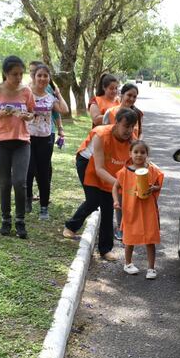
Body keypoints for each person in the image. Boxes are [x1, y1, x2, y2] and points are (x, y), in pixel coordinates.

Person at [63, 108, 138, 259]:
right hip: (88, 163)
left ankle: (105, 249)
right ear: (116, 123)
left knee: (108, 206)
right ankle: (71, 226)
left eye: (132, 127)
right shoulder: (101, 135)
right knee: (94, 200)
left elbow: (140, 161)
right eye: (126, 126)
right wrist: (119, 183)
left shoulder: (132, 140)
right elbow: (99, 169)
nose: (129, 130)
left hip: (108, 168)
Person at [0, 56, 35, 238]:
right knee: (4, 183)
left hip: (22, 141)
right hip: (0, 142)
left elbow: (32, 113)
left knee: (20, 182)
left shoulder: (26, 91)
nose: (18, 77)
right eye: (14, 74)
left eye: (21, 73)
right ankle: (6, 220)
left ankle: (20, 221)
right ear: (5, 73)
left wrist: (27, 116)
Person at [112, 140, 163, 279]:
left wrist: (154, 188)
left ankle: (151, 268)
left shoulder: (152, 170)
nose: (139, 155)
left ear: (147, 154)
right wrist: (116, 201)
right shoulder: (124, 172)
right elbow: (115, 187)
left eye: (142, 152)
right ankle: (128, 264)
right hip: (131, 209)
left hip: (148, 210)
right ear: (130, 154)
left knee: (150, 238)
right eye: (136, 152)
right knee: (129, 238)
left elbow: (158, 184)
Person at [26, 63, 69, 220]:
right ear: (34, 77)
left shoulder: (50, 98)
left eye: (46, 76)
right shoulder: (26, 94)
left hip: (45, 139)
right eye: (39, 75)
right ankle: (28, 199)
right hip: (27, 138)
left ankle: (44, 208)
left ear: (49, 78)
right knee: (29, 171)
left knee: (44, 173)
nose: (42, 78)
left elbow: (64, 110)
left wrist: (57, 92)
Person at [102, 82, 144, 240]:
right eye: (129, 95)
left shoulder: (138, 114)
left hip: (130, 157)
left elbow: (140, 134)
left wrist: (139, 150)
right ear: (122, 95)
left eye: (134, 96)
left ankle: (123, 227)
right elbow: (104, 133)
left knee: (128, 193)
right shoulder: (111, 112)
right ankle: (118, 227)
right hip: (112, 158)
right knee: (116, 192)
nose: (131, 99)